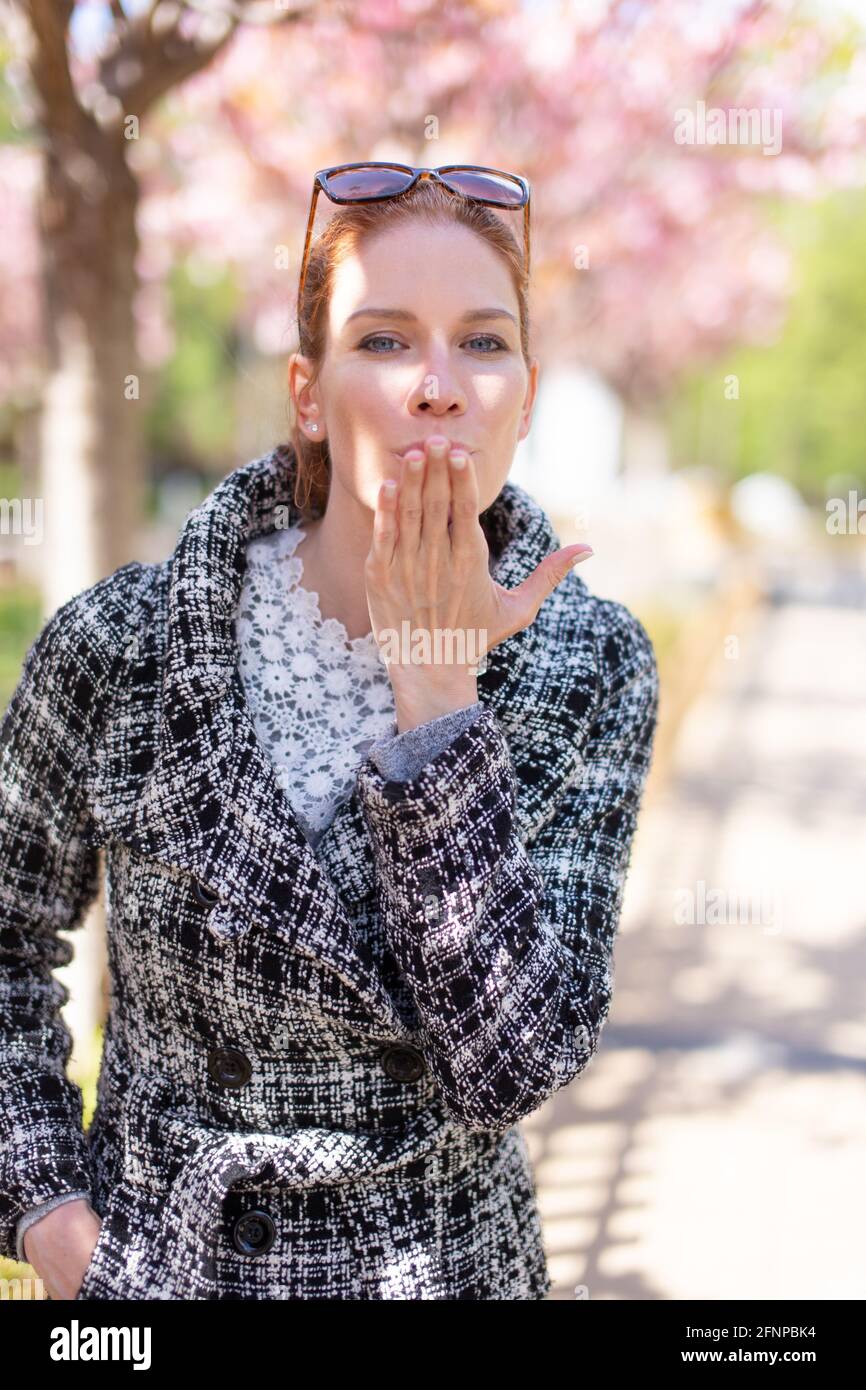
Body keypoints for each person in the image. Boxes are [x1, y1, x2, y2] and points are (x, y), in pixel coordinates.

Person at [0, 166, 659, 1300]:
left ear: (528, 394)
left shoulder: (588, 663)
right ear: (307, 392)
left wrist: (436, 696)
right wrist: (52, 1214)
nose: (438, 387)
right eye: (386, 341)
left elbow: (511, 1065)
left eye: (482, 344)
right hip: (158, 1277)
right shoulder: (124, 644)